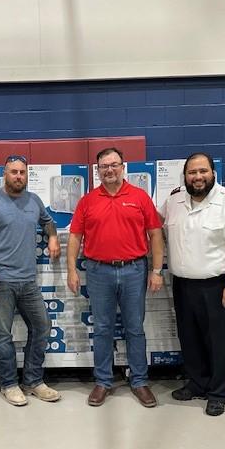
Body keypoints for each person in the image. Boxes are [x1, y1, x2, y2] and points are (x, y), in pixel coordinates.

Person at [67, 147, 164, 408]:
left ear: (123, 167)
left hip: (135, 270)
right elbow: (75, 237)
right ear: (97, 171)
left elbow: (155, 234)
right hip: (99, 272)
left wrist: (156, 270)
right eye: (103, 166)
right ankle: (103, 381)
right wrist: (71, 269)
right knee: (102, 329)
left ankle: (140, 381)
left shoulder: (140, 197)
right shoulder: (87, 201)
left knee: (135, 328)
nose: (109, 170)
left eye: (114, 165)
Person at [160, 152, 225, 416]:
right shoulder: (174, 199)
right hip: (183, 284)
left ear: (213, 173)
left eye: (203, 171)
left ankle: (217, 392)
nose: (198, 177)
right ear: (185, 176)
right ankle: (197, 383)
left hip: (219, 285)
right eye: (192, 172)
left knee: (219, 341)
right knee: (189, 338)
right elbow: (156, 226)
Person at [0, 155, 61, 406]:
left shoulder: (34, 200)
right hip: (0, 282)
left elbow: (48, 222)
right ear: (5, 174)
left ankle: (33, 380)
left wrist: (53, 237)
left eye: (22, 172)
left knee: (42, 326)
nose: (18, 176)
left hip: (28, 281)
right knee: (3, 335)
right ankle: (9, 384)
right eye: (13, 172)